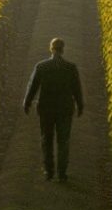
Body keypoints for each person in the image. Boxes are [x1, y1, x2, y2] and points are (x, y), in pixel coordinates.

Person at [22, 36, 86, 181]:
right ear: (63, 50)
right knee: (63, 140)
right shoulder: (70, 68)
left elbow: (32, 87)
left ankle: (48, 171)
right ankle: (62, 172)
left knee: (47, 139)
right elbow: (77, 89)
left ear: (51, 49)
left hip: (46, 108)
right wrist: (80, 105)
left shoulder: (42, 66)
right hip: (64, 108)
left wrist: (27, 102)